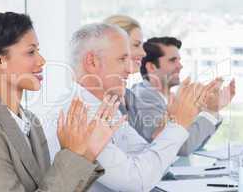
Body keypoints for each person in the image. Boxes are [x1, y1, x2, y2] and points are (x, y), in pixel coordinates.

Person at [0, 12, 124, 192]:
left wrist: (89, 152)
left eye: (38, 51)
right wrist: (72, 155)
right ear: (0, 60)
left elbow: (51, 187)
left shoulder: (30, 121)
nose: (42, 61)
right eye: (30, 52)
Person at [46, 23, 205, 192]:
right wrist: (178, 124)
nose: (130, 69)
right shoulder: (80, 116)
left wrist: (170, 123)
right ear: (92, 62)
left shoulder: (106, 108)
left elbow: (154, 165)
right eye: (122, 59)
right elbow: (137, 182)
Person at [130, 37, 236, 156]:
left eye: (179, 60)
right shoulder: (144, 97)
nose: (180, 66)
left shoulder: (171, 98)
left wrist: (209, 108)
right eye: (172, 60)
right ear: (152, 67)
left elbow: (195, 144)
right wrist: (210, 112)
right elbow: (180, 148)